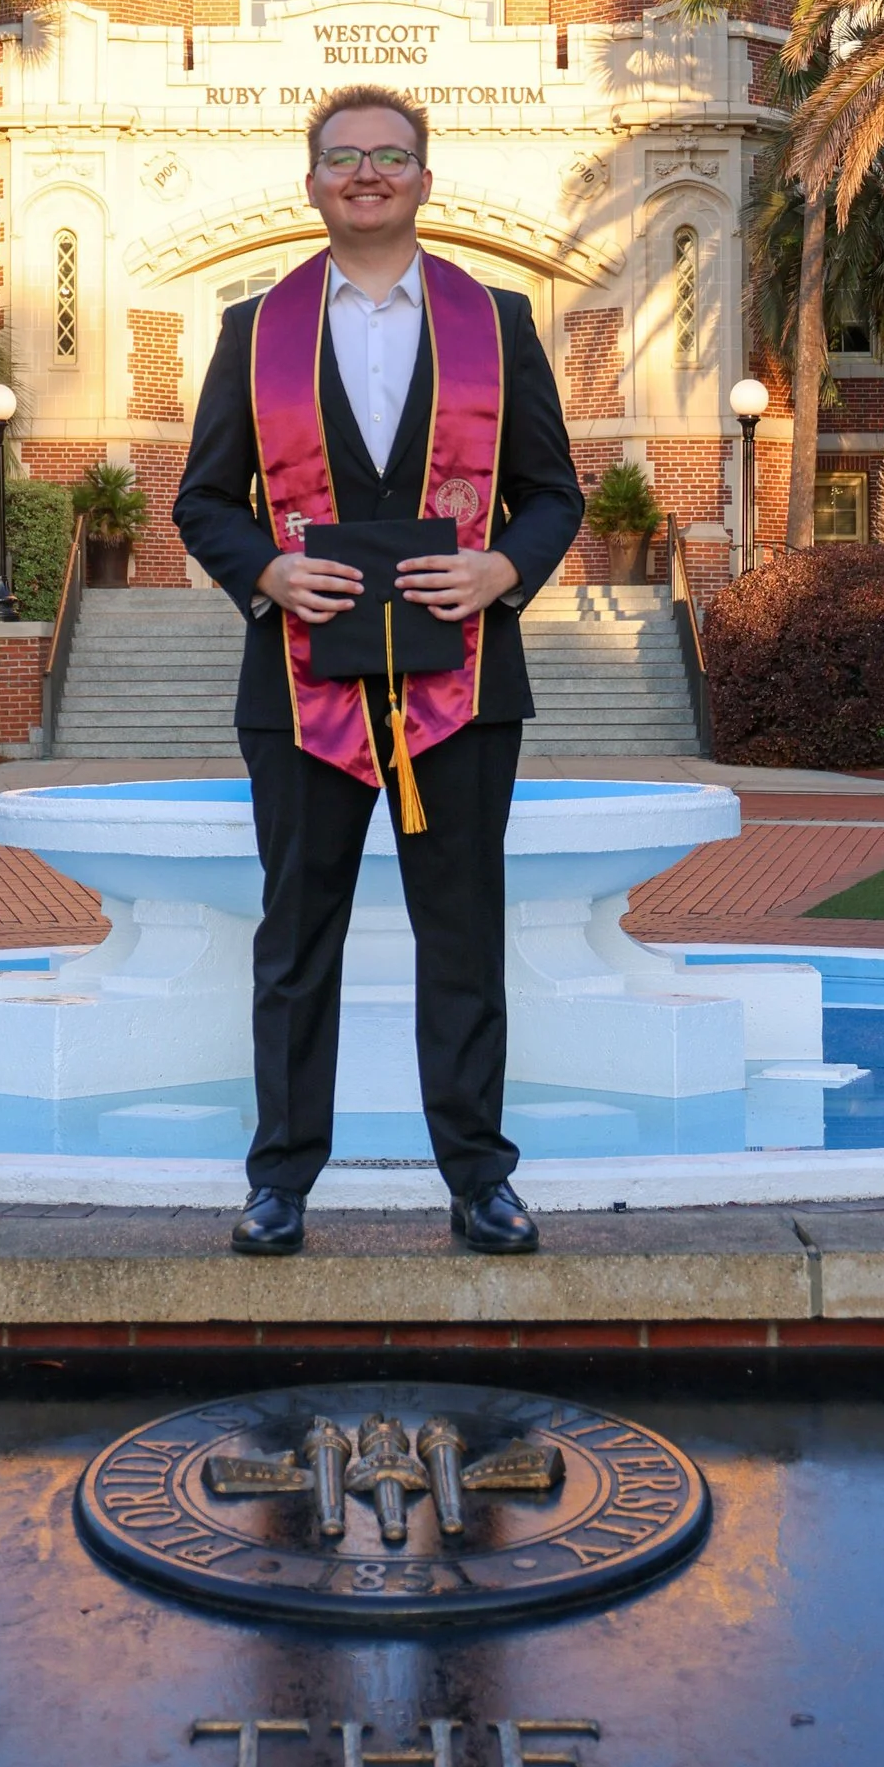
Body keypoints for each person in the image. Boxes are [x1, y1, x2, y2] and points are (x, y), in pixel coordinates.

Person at [173, 87, 586, 1256]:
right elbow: (203, 499)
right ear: (310, 182)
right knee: (295, 944)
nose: (367, 172)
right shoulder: (254, 329)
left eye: (390, 156)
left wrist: (504, 569)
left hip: (463, 684)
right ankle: (279, 1183)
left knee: (462, 939)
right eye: (343, 156)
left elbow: (553, 493)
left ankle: (479, 1179)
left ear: (424, 179)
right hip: (299, 686)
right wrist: (267, 570)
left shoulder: (497, 320)